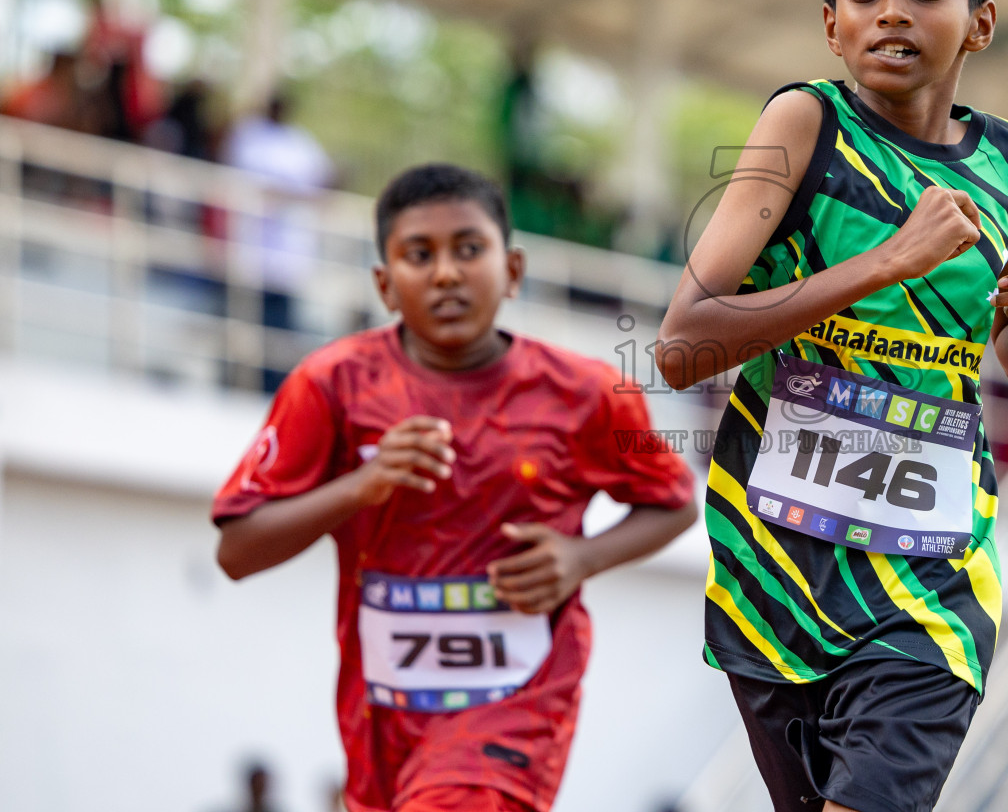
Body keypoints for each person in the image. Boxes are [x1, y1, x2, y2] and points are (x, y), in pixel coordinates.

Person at [656, 0, 1008, 812]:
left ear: (980, 22)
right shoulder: (805, 123)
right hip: (777, 570)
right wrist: (887, 261)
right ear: (831, 23)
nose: (893, 13)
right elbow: (680, 345)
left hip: (934, 574)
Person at [212, 163, 698, 812]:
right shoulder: (331, 385)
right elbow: (237, 552)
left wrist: (580, 557)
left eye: (469, 249)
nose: (446, 272)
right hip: (382, 719)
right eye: (420, 254)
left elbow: (674, 501)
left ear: (513, 271)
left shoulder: (589, 392)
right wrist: (363, 484)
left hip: (517, 707)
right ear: (385, 285)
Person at [222, 93, 335, 390]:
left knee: (280, 330)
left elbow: (322, 183)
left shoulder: (300, 142)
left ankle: (273, 385)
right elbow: (254, 184)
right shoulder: (250, 136)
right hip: (252, 249)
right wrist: (294, 195)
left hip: (288, 256)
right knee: (243, 322)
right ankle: (237, 381)